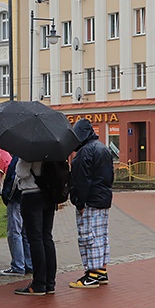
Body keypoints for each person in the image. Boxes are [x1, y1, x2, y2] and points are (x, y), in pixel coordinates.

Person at [68, 119, 114, 289]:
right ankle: (101, 272)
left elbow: (81, 180)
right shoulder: (103, 148)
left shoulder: (85, 152)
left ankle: (91, 275)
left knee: (89, 238)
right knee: (101, 236)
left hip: (90, 202)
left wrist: (78, 202)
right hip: (103, 199)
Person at [14, 159, 57, 296]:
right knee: (47, 237)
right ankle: (50, 283)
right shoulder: (52, 148)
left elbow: (22, 172)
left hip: (31, 195)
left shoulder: (29, 150)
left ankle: (39, 283)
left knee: (35, 239)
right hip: (49, 194)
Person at [0, 154, 31, 276]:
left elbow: (14, 179)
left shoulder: (18, 157)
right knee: (25, 233)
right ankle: (28, 263)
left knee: (15, 232)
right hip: (28, 196)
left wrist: (8, 196)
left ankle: (18, 265)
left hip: (17, 198)